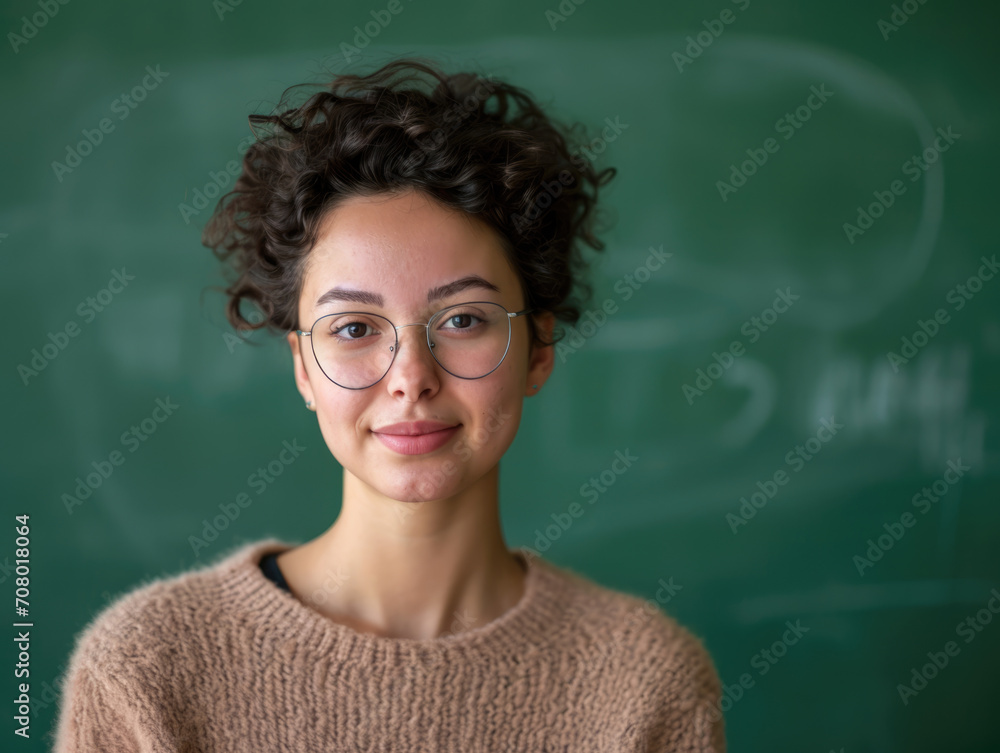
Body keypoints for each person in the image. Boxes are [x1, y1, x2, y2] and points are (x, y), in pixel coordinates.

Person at [52, 57, 726, 751]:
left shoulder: (643, 682)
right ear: (303, 369)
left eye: (463, 320)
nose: (411, 377)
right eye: (354, 329)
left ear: (540, 349)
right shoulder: (148, 668)